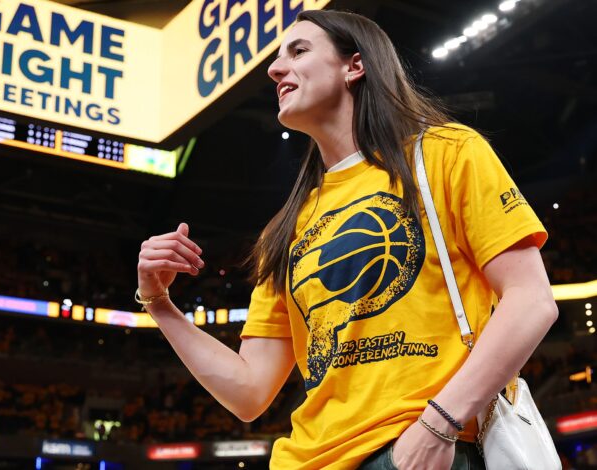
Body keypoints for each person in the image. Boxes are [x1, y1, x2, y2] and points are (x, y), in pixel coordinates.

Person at [136, 10, 557, 470]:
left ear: (354, 66)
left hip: (416, 447)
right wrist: (158, 303)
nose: (275, 69)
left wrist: (439, 424)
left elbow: (530, 299)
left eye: (298, 51)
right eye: (277, 58)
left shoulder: (446, 153)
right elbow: (249, 392)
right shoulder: (288, 226)